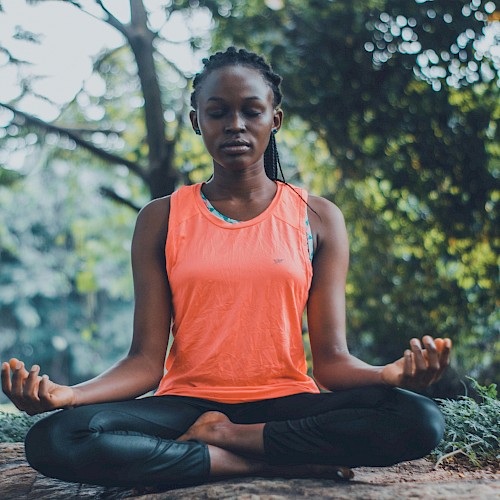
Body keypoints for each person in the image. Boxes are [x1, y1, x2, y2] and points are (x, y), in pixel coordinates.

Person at [1, 47, 452, 489]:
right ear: (197, 120)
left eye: (251, 111)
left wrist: (387, 375)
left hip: (285, 404)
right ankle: (254, 464)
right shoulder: (161, 218)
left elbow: (331, 363)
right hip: (185, 405)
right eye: (218, 112)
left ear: (274, 119)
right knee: (57, 438)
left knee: (418, 418)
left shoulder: (316, 217)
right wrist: (70, 395)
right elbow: (143, 362)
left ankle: (228, 440)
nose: (235, 124)